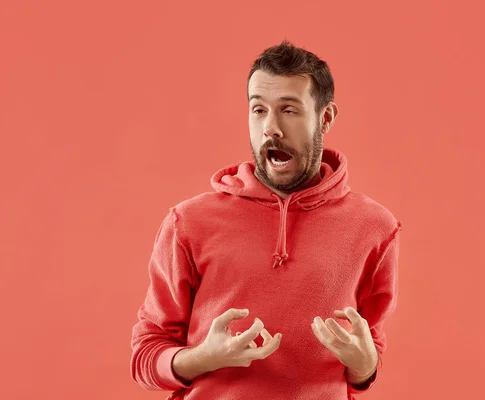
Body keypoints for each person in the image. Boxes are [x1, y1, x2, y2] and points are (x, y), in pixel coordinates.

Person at [130, 40, 402, 400]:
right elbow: (145, 356)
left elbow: (368, 358)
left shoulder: (375, 228)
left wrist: (365, 365)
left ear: (325, 118)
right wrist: (202, 358)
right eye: (259, 110)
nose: (271, 128)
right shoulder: (189, 222)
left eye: (289, 110)